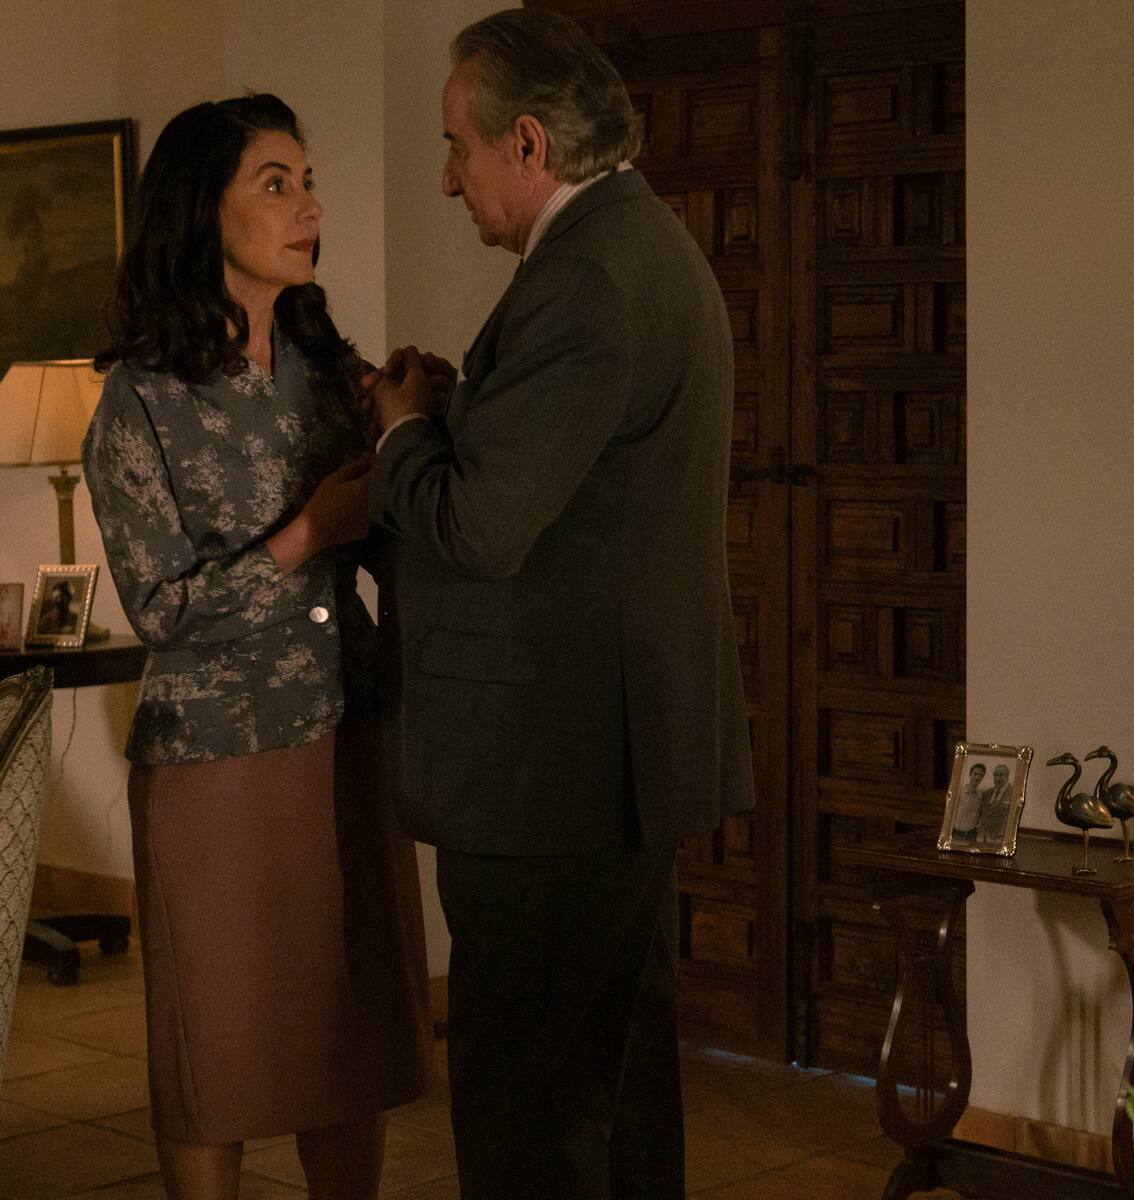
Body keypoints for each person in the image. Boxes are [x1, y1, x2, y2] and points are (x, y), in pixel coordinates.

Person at [361, 10, 755, 1199]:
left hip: (550, 771)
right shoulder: (641, 244)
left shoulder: (586, 276)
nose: (447, 179)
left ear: (527, 144)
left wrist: (405, 431)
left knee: (530, 1113)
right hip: (604, 759)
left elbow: (481, 528)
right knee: (613, 1095)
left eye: (457, 147)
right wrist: (464, 416)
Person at [82, 95, 430, 1200]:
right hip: (214, 760)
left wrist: (423, 426)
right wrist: (308, 534)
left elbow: (404, 534)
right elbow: (160, 609)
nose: (308, 206)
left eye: (307, 180)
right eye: (275, 184)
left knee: (348, 1035)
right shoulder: (138, 399)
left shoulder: (331, 371)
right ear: (202, 209)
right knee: (216, 1050)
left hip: (345, 735)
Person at [979, 762, 1015, 845]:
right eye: (996, 775)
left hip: (1001, 839)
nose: (998, 778)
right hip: (983, 837)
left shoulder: (1014, 793)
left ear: (1007, 777)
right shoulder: (986, 793)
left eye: (1001, 775)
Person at [952, 761, 987, 841]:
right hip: (957, 834)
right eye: (975, 774)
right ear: (970, 775)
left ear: (982, 777)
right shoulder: (958, 792)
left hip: (972, 835)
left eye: (980, 775)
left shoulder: (981, 795)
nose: (977, 777)